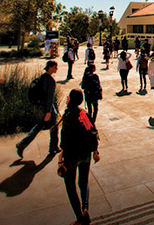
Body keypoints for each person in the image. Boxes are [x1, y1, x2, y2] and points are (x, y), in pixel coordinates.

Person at [59, 89, 100, 225]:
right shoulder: (83, 114)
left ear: (70, 99)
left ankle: (79, 217)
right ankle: (85, 208)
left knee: (70, 186)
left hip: (71, 157)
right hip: (85, 154)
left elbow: (64, 140)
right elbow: (92, 131)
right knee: (83, 182)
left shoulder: (68, 115)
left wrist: (61, 159)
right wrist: (95, 151)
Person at [16, 60, 61, 158]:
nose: (56, 69)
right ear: (50, 68)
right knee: (53, 126)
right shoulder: (50, 81)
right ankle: (53, 147)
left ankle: (23, 144)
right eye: (55, 67)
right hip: (46, 107)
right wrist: (49, 111)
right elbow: (50, 98)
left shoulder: (41, 78)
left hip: (38, 106)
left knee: (39, 125)